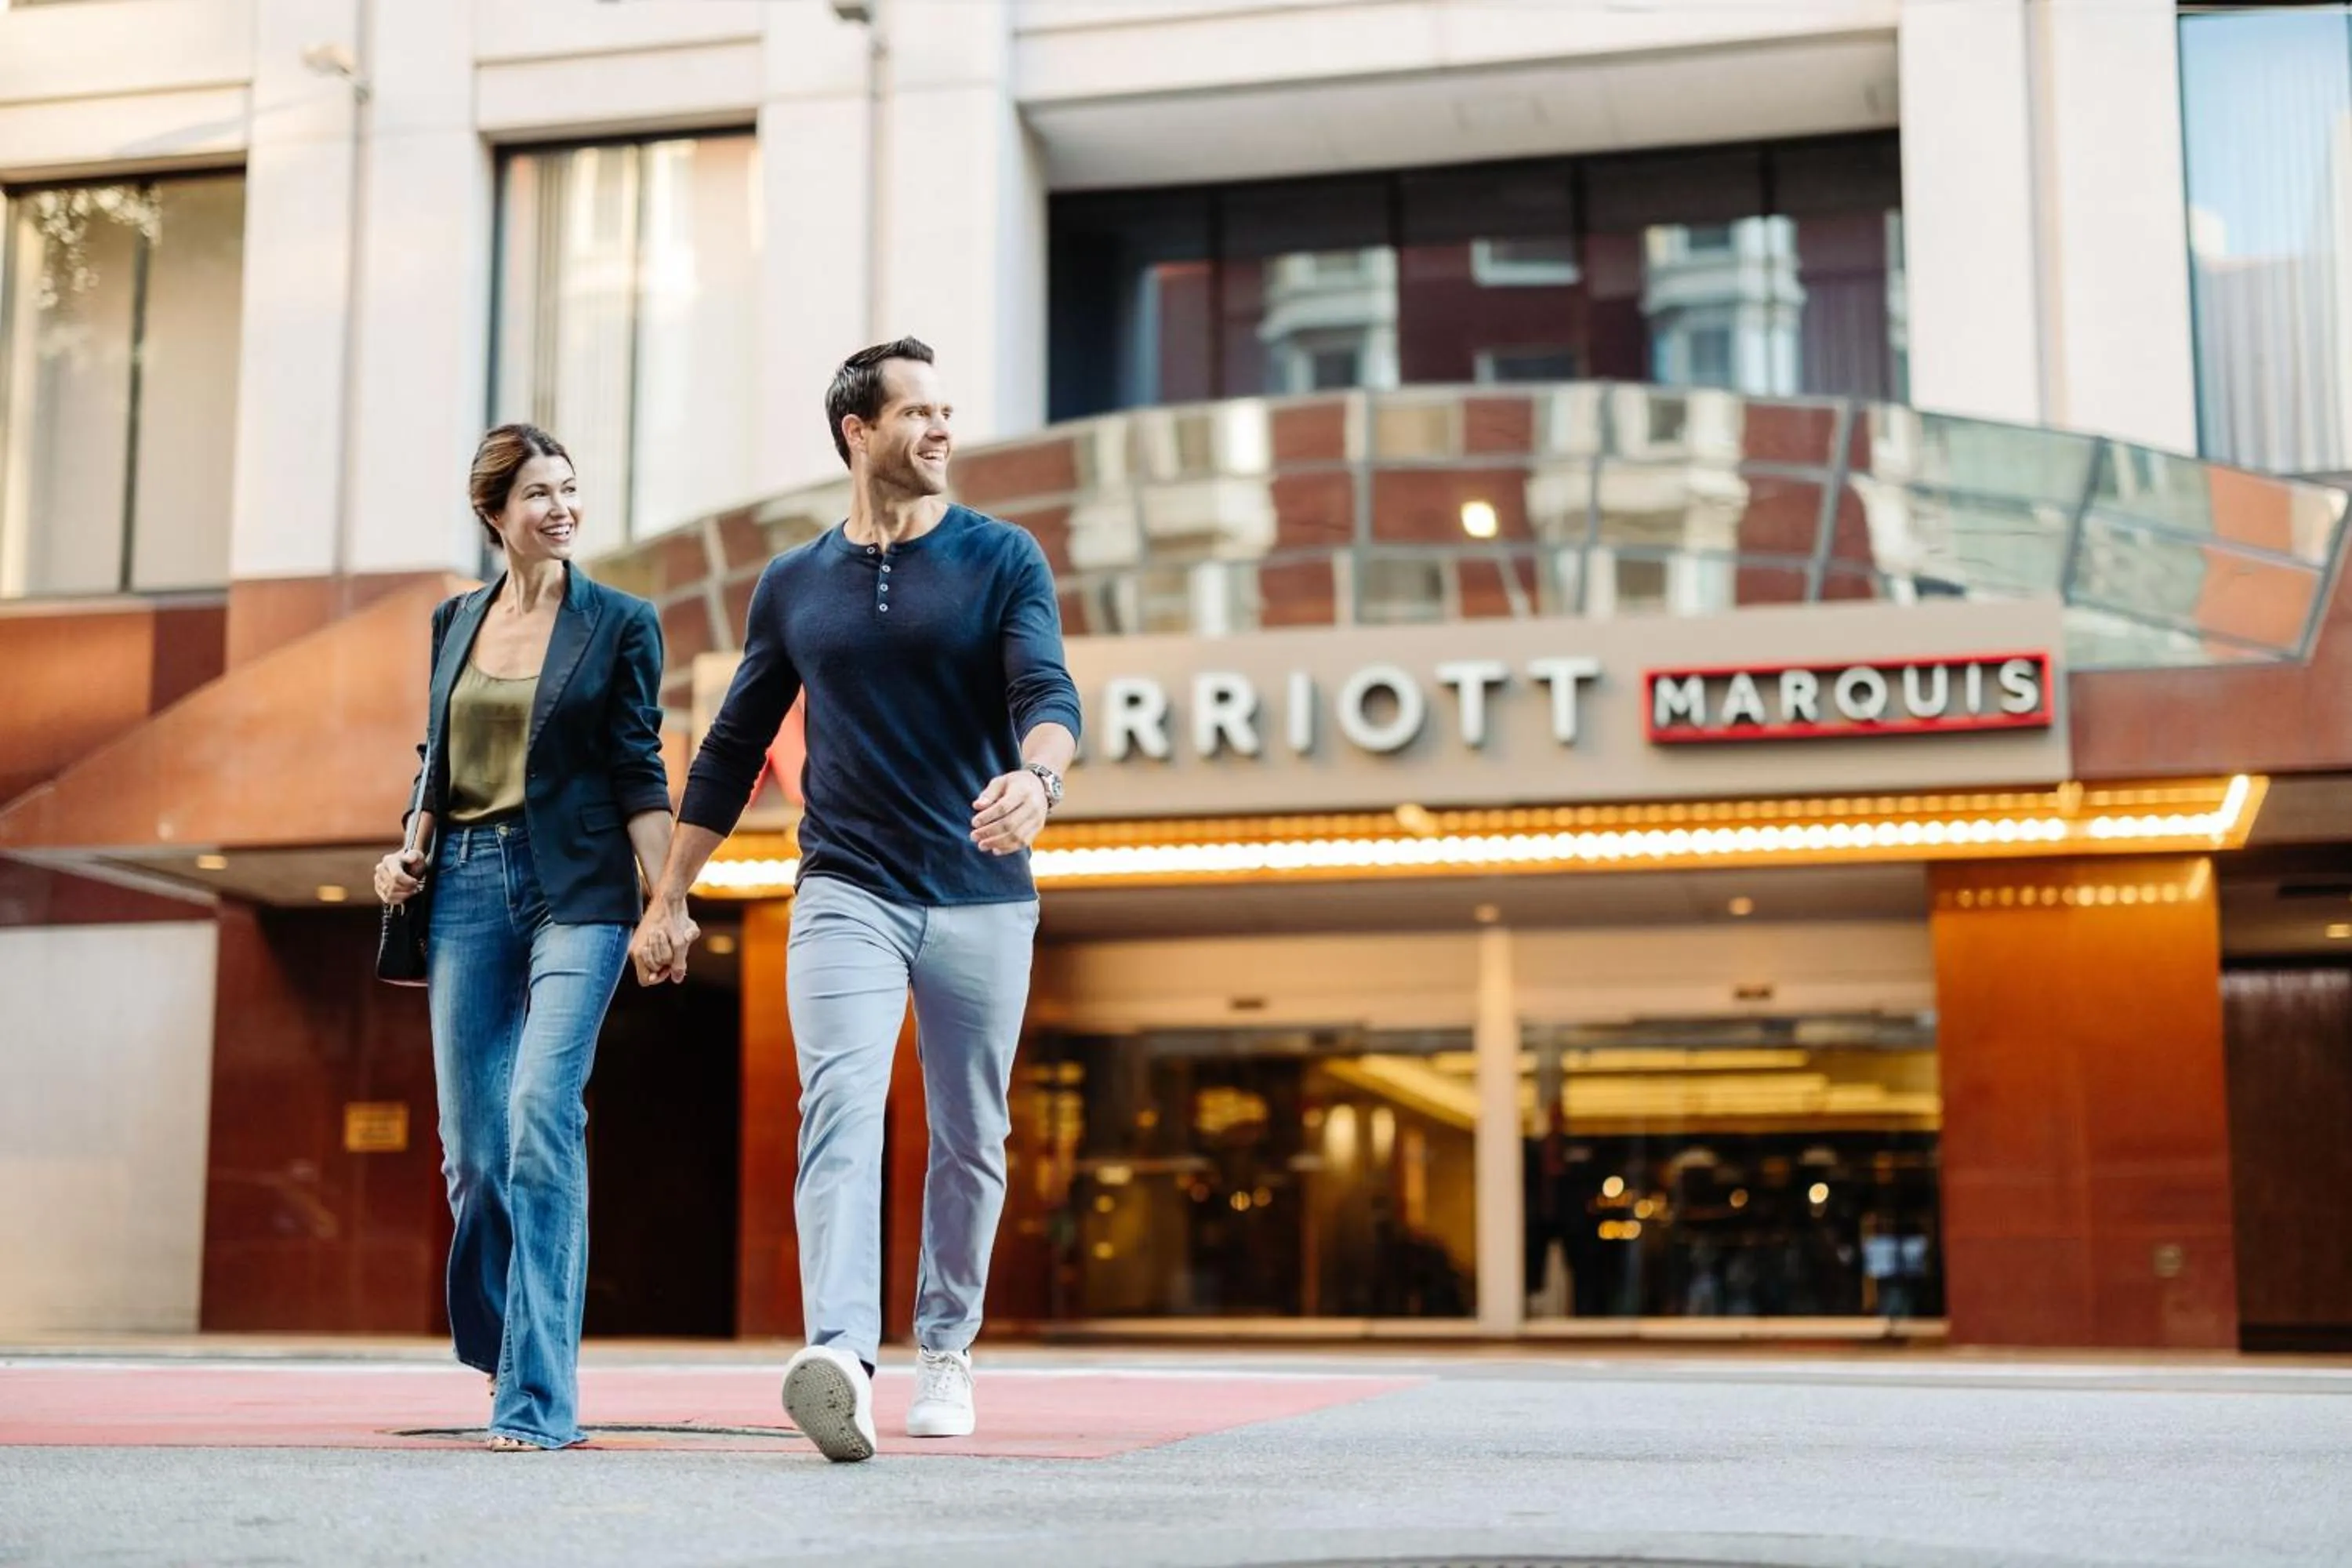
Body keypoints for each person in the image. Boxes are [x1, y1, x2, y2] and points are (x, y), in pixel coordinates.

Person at [630, 338, 1081, 1464]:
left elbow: (1045, 688)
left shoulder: (1001, 556)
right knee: (838, 1103)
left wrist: (1040, 777)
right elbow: (732, 748)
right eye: (917, 412)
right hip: (846, 883)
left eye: (946, 410)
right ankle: (839, 1350)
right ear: (857, 433)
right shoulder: (793, 585)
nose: (940, 430)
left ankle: (946, 1347)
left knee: (971, 1131)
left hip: (981, 891)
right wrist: (668, 895)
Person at [373, 424, 676, 1451]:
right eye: (539, 493)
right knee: (475, 1157)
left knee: (544, 1111)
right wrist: (406, 851)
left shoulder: (621, 623)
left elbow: (641, 767)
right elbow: (437, 752)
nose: (562, 507)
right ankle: (512, 1350)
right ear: (494, 513)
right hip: (461, 891)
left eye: (571, 489)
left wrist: (667, 894)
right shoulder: (453, 621)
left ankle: (538, 1398)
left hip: (577, 891)